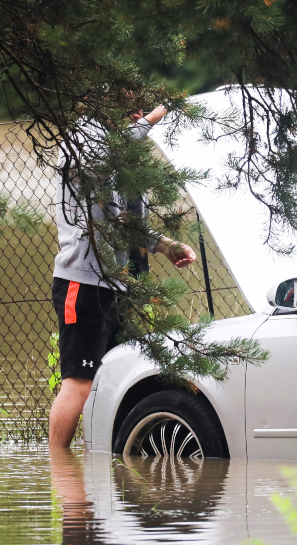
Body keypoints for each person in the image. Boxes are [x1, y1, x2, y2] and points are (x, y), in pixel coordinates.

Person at [49, 104, 196, 449]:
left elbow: (128, 223)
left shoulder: (121, 153)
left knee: (111, 378)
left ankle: (99, 471)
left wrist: (165, 245)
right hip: (82, 282)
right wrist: (149, 123)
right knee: (80, 381)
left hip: (116, 286)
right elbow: (101, 159)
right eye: (125, 95)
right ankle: (60, 472)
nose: (136, 106)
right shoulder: (83, 134)